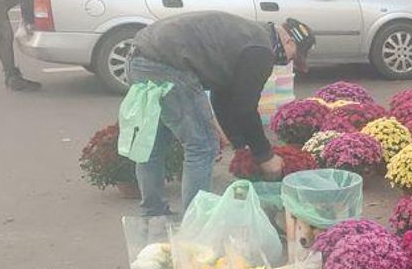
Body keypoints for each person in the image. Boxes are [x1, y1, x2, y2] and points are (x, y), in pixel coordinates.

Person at [125, 11, 315, 217]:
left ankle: (153, 214)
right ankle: (196, 224)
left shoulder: (249, 35)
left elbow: (223, 95)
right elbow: (245, 109)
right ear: (287, 40)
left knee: (153, 143)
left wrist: (238, 144)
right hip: (167, 66)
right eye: (294, 57)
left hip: (139, 57)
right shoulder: (261, 51)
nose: (289, 62)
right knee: (202, 146)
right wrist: (265, 156)